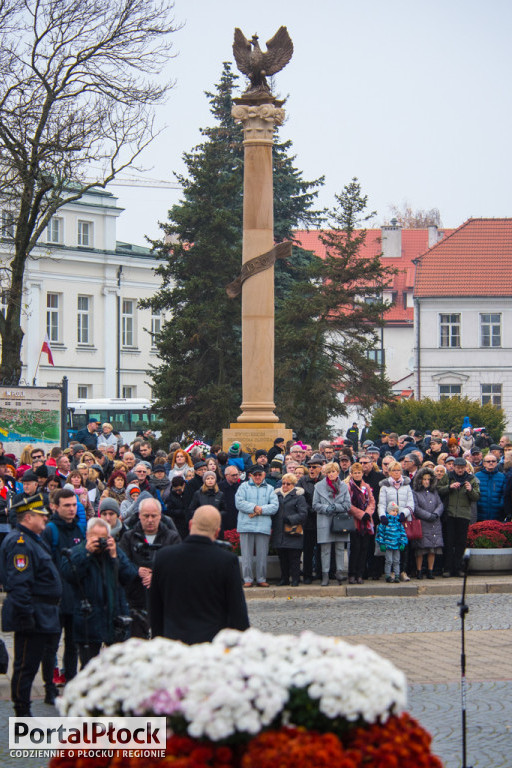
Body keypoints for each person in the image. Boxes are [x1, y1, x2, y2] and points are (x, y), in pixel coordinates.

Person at [149, 505, 249, 643]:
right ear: (217, 532)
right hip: (212, 646)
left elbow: (155, 608)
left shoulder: (163, 557)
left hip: (173, 644)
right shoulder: (226, 561)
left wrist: (158, 641)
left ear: (190, 525)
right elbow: (238, 612)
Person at [0, 494, 62, 716]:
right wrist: (27, 616)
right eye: (41, 515)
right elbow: (20, 584)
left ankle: (24, 712)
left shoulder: (33, 539)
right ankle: (23, 714)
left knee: (31, 665)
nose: (45, 519)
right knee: (26, 667)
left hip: (43, 612)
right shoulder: (21, 543)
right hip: (32, 614)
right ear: (28, 518)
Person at [61, 517, 137, 666]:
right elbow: (68, 574)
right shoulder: (77, 552)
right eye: (95, 537)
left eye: (103, 538)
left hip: (114, 618)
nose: (100, 542)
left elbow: (130, 576)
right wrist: (86, 553)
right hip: (88, 621)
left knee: (117, 668)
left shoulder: (115, 552)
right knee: (89, 667)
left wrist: (115, 556)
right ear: (87, 536)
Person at [41, 488, 85, 695]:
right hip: (55, 598)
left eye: (74, 505)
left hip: (75, 596)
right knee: (50, 644)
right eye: (66, 505)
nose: (71, 509)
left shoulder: (78, 529)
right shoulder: (50, 530)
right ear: (55, 507)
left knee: (73, 644)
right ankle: (49, 687)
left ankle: (71, 683)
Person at [119, 497, 180, 638]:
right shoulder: (128, 538)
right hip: (135, 600)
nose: (150, 520)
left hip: (164, 602)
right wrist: (137, 570)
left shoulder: (172, 538)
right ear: (139, 516)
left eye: (154, 516)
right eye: (146, 516)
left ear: (160, 516)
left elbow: (177, 566)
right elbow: (121, 563)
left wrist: (157, 576)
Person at [235, 464, 279, 588]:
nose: (258, 477)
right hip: (246, 525)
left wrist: (261, 509)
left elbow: (274, 506)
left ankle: (261, 578)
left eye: (260, 474)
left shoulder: (270, 488)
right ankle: (247, 579)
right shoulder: (243, 487)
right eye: (255, 475)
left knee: (262, 554)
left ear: (264, 475)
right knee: (246, 555)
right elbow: (239, 503)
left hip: (263, 525)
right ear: (251, 476)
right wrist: (254, 507)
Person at [438, 457, 480, 577]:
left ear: (466, 468)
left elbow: (476, 497)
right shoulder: (448, 477)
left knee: (461, 543)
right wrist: (449, 487)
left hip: (464, 515)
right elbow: (439, 490)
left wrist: (470, 490)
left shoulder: (471, 479)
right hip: (450, 514)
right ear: (454, 467)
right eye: (458, 468)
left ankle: (459, 568)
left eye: (462, 468)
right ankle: (447, 568)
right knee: (449, 542)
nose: (460, 470)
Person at [312, 461, 352, 586]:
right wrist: (325, 508)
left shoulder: (344, 487)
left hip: (340, 520)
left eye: (333, 471)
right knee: (325, 550)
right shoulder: (318, 486)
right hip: (325, 519)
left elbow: (347, 505)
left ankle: (339, 572)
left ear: (338, 472)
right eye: (328, 472)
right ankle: (325, 575)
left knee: (340, 548)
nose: (331, 474)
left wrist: (336, 507)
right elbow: (315, 505)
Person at [377, 461, 415, 581]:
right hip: (390, 521)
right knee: (390, 549)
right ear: (389, 472)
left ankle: (402, 571)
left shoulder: (406, 485)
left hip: (403, 520)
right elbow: (382, 504)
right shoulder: (385, 487)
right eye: (394, 470)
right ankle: (391, 572)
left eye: (398, 470)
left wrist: (404, 513)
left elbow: (411, 503)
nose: (396, 473)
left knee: (403, 547)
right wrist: (383, 516)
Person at [272, 473, 308, 586]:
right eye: (283, 483)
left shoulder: (299, 497)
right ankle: (284, 578)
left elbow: (303, 513)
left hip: (293, 531)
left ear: (293, 485)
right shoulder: (276, 496)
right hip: (279, 531)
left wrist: (290, 519)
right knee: (282, 558)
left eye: (288, 484)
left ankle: (295, 579)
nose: (285, 486)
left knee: (294, 558)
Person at [412, 468, 444, 579]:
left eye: (428, 479)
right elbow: (416, 508)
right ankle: (419, 570)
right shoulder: (415, 492)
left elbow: (440, 504)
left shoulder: (434, 492)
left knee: (432, 549)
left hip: (434, 522)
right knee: (420, 549)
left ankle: (430, 570)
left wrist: (436, 514)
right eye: (424, 479)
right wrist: (428, 516)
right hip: (422, 523)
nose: (426, 481)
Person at [346, 462, 375, 585]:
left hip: (366, 522)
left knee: (364, 549)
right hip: (354, 521)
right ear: (351, 474)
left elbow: (372, 502)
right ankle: (352, 573)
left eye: (359, 473)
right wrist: (361, 514)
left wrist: (368, 513)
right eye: (355, 473)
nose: (357, 475)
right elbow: (348, 504)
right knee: (355, 548)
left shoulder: (366, 486)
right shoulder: (348, 486)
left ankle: (360, 574)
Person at [375, 502, 408, 583]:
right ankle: (388, 575)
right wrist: (381, 543)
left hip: (396, 545)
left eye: (396, 511)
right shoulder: (385, 522)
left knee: (397, 561)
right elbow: (380, 533)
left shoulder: (398, 523)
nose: (395, 513)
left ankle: (397, 575)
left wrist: (403, 543)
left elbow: (403, 534)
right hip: (388, 545)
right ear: (389, 511)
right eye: (393, 511)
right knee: (388, 561)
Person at [475, 454, 506, 521]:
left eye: (493, 461)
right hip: (480, 513)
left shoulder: (502, 477)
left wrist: (501, 505)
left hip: (497, 514)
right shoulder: (477, 476)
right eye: (488, 461)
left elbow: (504, 494)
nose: (491, 463)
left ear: (497, 463)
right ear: (484, 463)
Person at [218, 465, 241, 534]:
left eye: (237, 475)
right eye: (233, 475)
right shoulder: (219, 487)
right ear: (226, 476)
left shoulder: (241, 487)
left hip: (237, 519)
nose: (236, 477)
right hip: (224, 520)